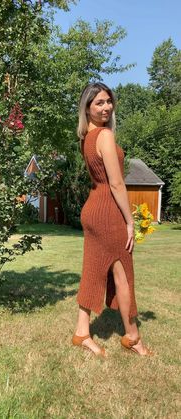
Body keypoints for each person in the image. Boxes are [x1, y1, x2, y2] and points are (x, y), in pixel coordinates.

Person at [72, 82, 153, 357]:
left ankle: (82, 332)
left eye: (108, 101)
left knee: (93, 271)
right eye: (99, 103)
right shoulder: (104, 136)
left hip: (93, 210)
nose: (106, 107)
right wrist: (129, 220)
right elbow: (117, 184)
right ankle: (133, 337)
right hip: (107, 212)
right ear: (87, 108)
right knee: (123, 275)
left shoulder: (87, 136)